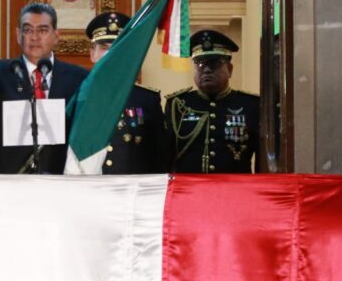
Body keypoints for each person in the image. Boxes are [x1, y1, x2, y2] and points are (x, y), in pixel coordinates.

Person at [0, 2, 88, 173]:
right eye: (28, 30)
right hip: (7, 178)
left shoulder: (78, 77)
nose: (34, 37)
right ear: (18, 35)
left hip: (60, 176)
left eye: (43, 30)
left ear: (56, 35)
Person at [66, 12, 169, 174]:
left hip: (132, 187)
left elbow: (160, 158)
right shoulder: (76, 96)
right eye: (104, 48)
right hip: (87, 185)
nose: (110, 54)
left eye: (117, 48)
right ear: (92, 53)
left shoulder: (146, 99)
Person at [164, 29, 260, 173]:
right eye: (200, 64)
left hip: (235, 186)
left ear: (230, 69)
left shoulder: (250, 105)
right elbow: (165, 157)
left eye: (215, 64)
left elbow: (263, 160)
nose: (207, 70)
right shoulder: (177, 105)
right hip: (189, 186)